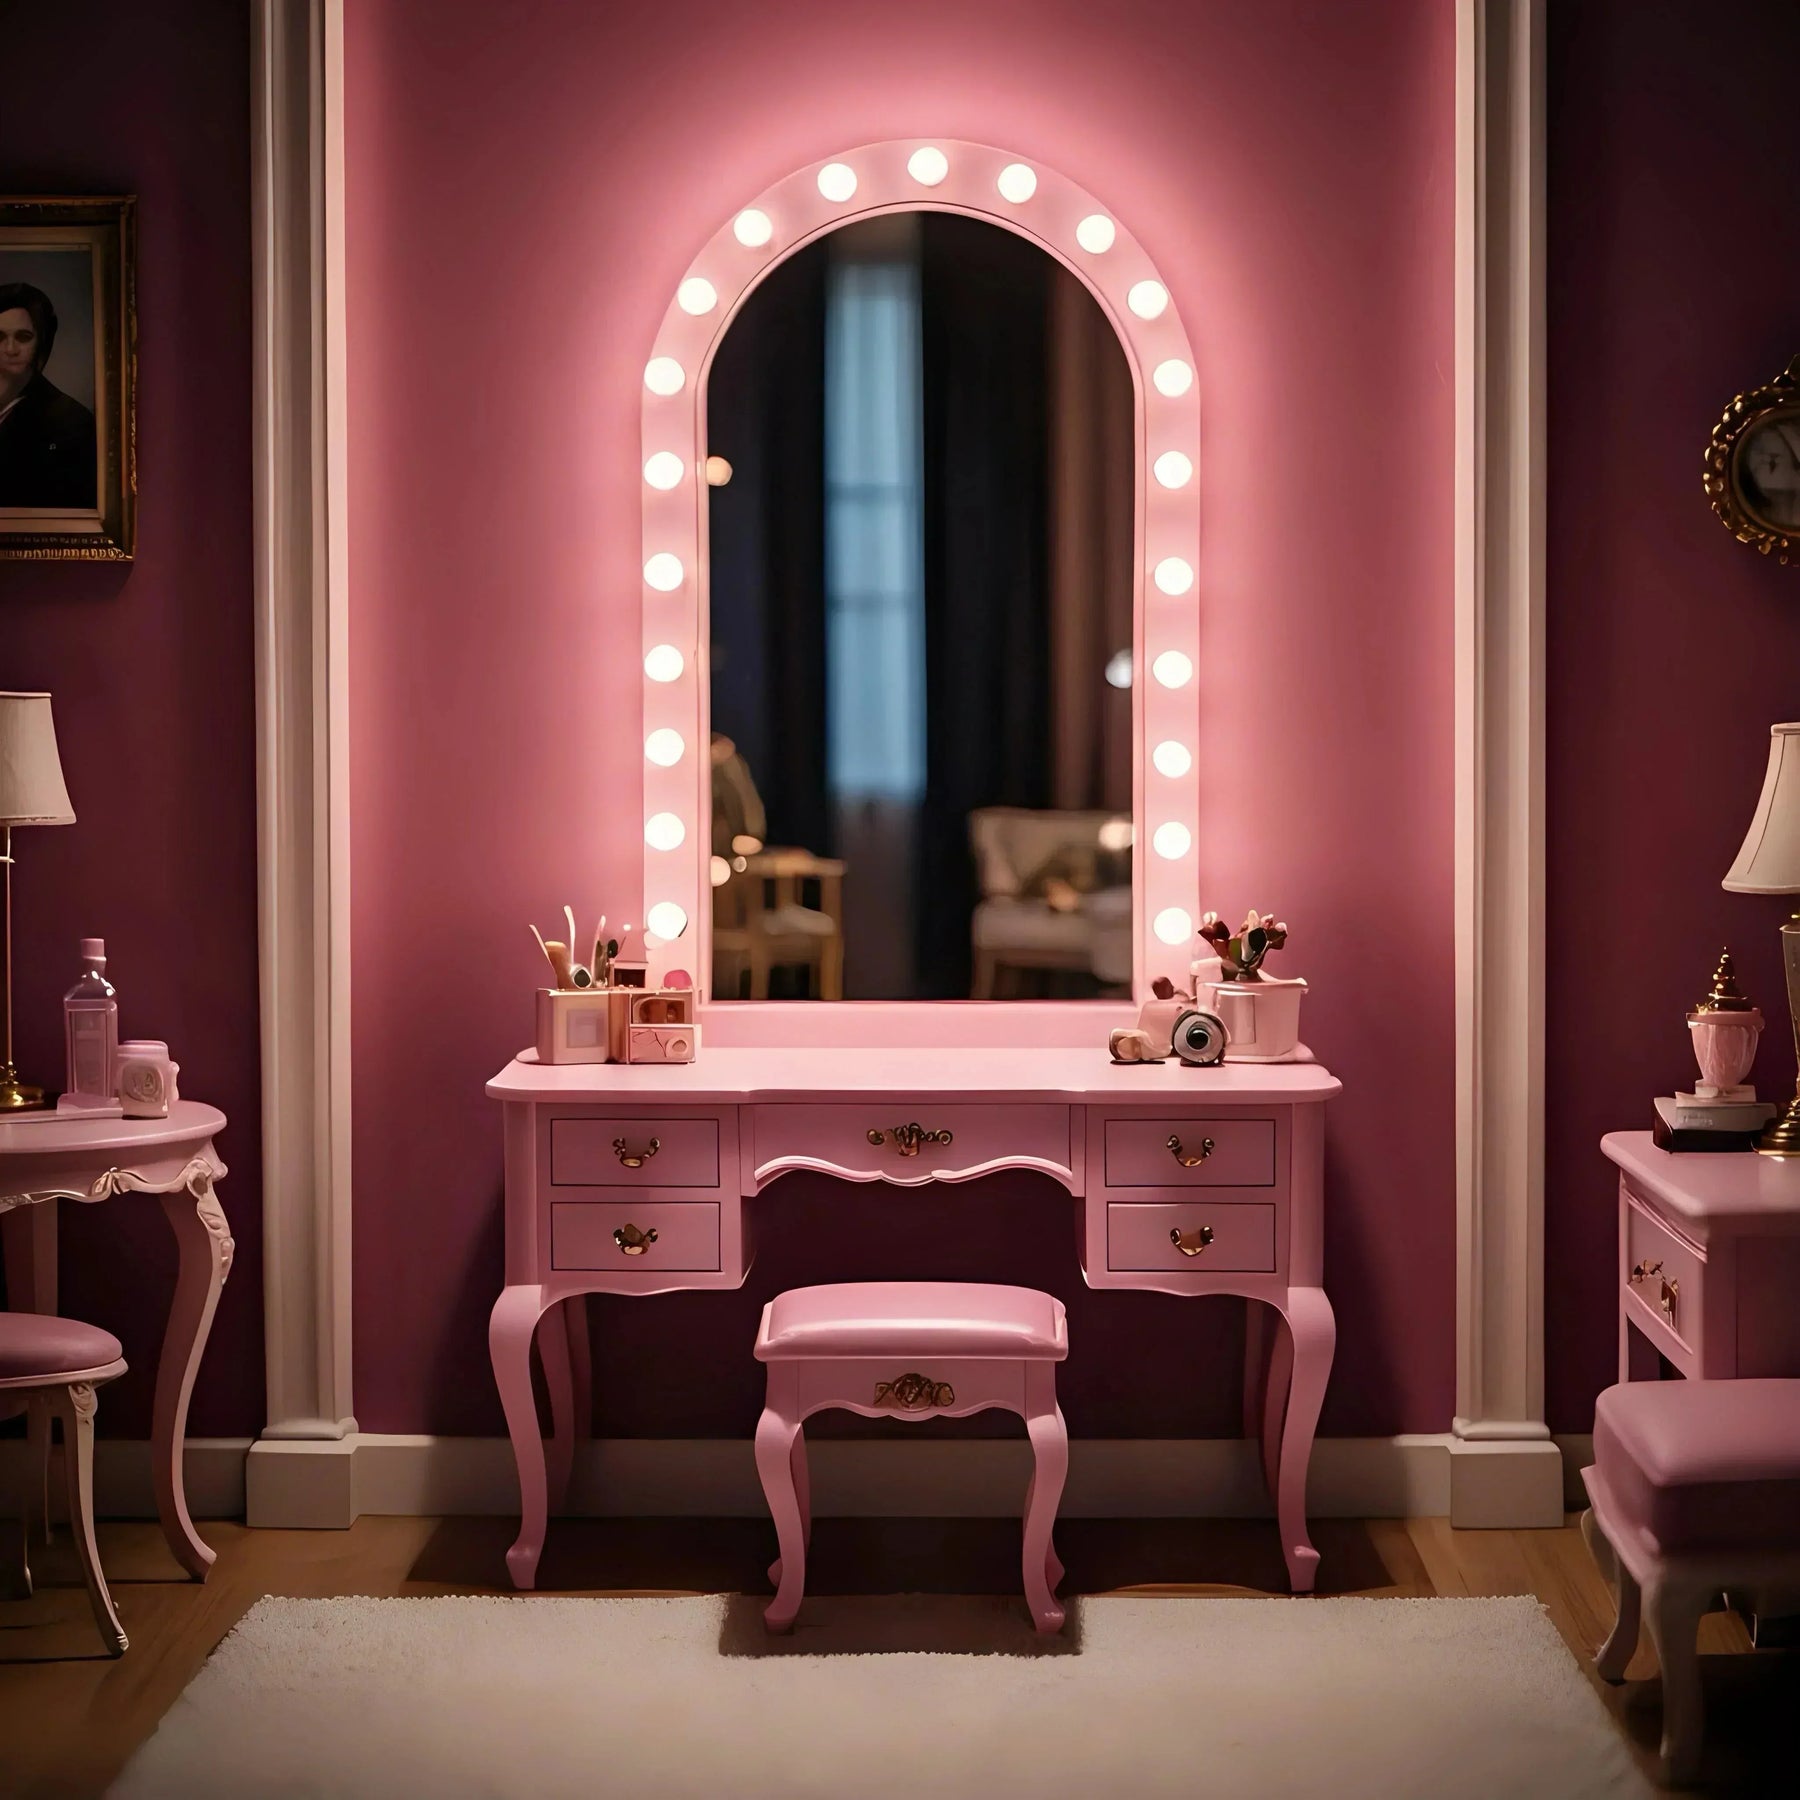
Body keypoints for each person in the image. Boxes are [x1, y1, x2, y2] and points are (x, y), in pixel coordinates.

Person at [0, 281, 97, 509]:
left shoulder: (72, 423)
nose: (10, 349)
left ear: (42, 342)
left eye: (23, 337)